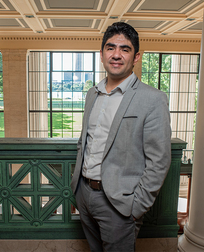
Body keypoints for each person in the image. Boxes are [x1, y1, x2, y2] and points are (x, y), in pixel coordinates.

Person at [70, 22, 171, 252]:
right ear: (102, 54)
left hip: (120, 204)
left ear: (136, 57)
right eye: (110, 48)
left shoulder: (153, 99)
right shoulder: (92, 94)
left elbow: (159, 160)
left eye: (124, 49)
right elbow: (84, 142)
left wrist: (136, 207)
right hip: (85, 195)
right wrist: (78, 189)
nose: (116, 55)